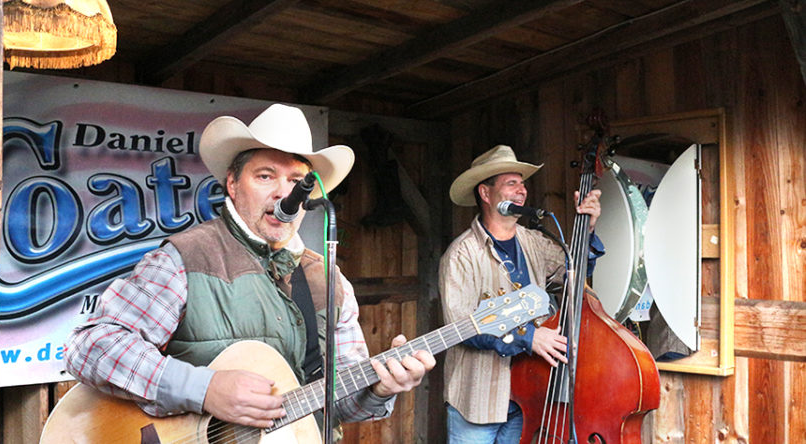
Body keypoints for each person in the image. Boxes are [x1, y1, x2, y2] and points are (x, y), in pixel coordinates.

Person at [65, 104, 435, 432]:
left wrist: (379, 388)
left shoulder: (330, 279)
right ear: (232, 184)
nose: (283, 193)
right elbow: (90, 347)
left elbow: (336, 405)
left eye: (295, 182)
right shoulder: (186, 257)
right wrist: (204, 389)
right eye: (265, 176)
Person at [439, 145, 603, 444]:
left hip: (529, 394)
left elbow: (574, 274)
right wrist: (530, 338)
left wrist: (587, 228)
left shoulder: (535, 242)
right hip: (479, 400)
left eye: (522, 183)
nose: (521, 191)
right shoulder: (461, 254)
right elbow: (461, 328)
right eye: (511, 183)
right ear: (485, 194)